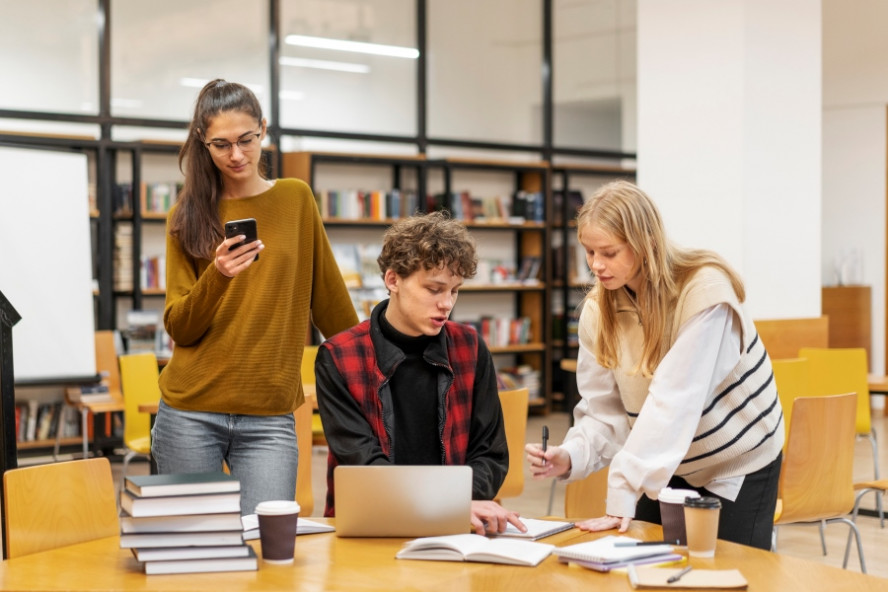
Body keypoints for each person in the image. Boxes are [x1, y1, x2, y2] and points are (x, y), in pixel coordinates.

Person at [526, 180, 783, 550]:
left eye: (609, 252)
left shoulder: (704, 292)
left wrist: (622, 492)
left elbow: (674, 401)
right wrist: (571, 455)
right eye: (588, 252)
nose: (596, 265)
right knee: (646, 565)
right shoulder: (599, 311)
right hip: (667, 460)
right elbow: (604, 413)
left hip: (735, 461)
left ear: (645, 243)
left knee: (725, 570)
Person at [154, 79, 359, 515]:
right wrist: (220, 274)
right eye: (221, 144)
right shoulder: (185, 216)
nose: (236, 155)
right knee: (192, 554)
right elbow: (180, 326)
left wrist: (377, 367)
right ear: (202, 143)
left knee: (270, 555)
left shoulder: (296, 199)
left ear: (263, 129)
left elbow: (331, 302)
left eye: (246, 139)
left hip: (270, 416)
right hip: (190, 411)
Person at [315, 211, 527, 535]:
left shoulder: (470, 347)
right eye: (434, 289)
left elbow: (490, 455)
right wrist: (447, 504)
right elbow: (364, 466)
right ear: (392, 280)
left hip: (457, 527)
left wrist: (453, 506)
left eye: (454, 290)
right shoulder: (339, 357)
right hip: (371, 524)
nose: (447, 303)